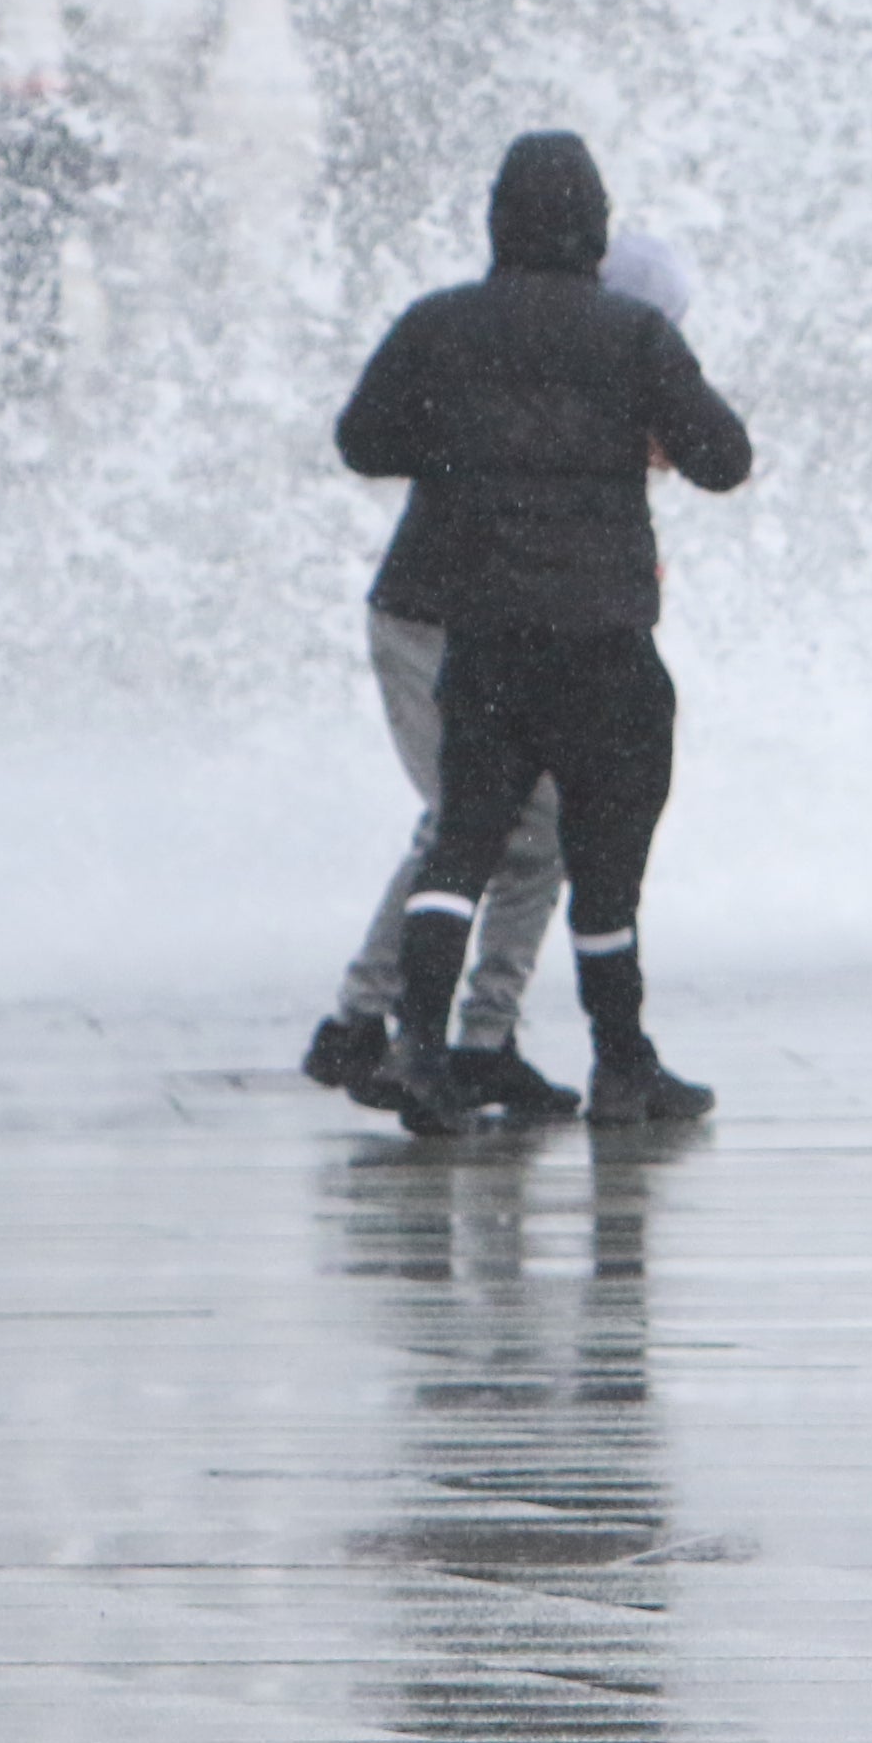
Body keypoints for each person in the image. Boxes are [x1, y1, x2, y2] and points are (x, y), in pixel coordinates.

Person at [336, 132, 754, 1133]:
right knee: (603, 859)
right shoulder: (630, 335)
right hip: (604, 638)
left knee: (462, 846)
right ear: (596, 229)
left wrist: (465, 444)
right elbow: (723, 457)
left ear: (497, 220)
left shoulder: (442, 327)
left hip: (486, 638)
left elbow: (364, 441)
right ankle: (622, 1067)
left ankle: (423, 1057)